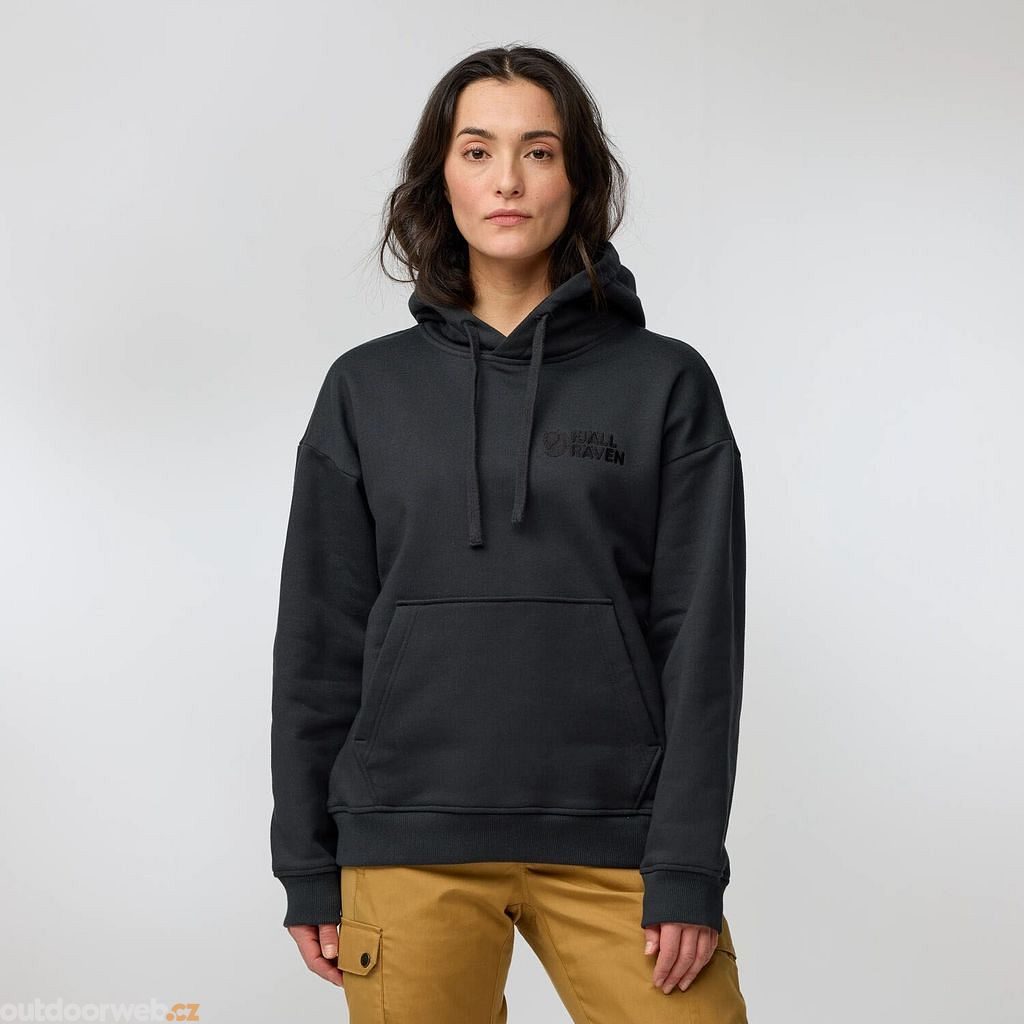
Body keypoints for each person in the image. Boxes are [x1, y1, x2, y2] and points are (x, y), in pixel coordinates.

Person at [270, 44, 749, 1024]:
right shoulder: (365, 389)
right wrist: (307, 863)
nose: (507, 181)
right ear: (439, 176)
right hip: (405, 840)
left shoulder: (665, 383)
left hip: (618, 841)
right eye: (478, 150)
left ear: (577, 177)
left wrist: (688, 861)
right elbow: (319, 637)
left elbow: (702, 640)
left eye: (538, 150)